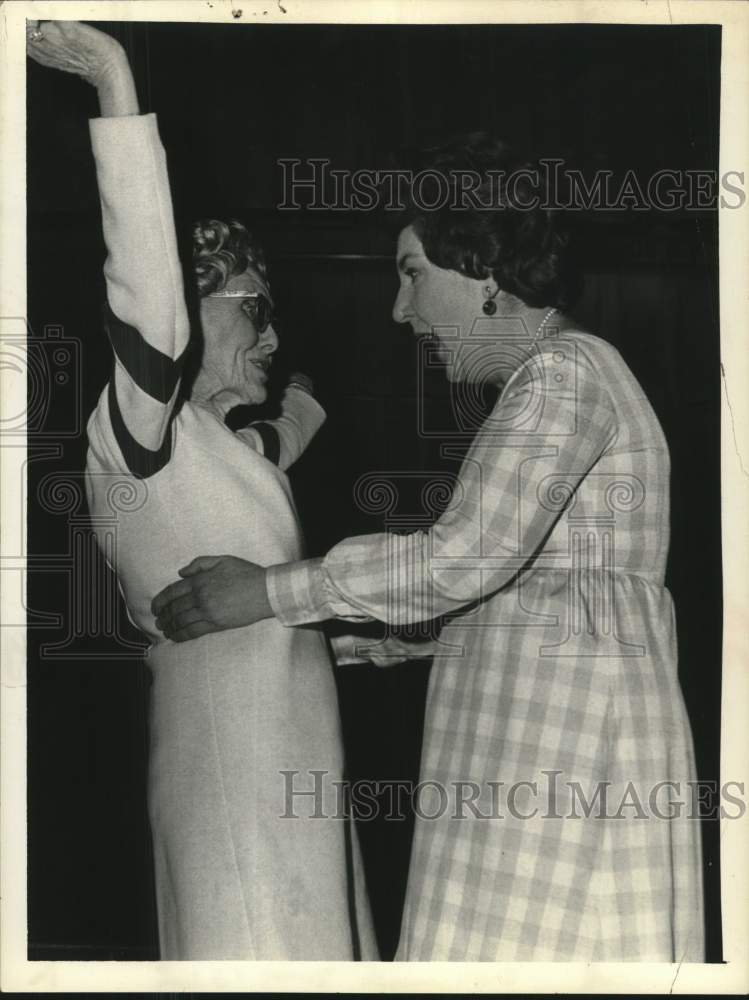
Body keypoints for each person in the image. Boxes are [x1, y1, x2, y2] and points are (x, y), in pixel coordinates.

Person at [152, 135, 706, 961]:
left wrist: (269, 590)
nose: (398, 312)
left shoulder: (563, 373)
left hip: (560, 755)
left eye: (410, 273)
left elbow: (463, 557)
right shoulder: (554, 380)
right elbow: (543, 599)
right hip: (541, 743)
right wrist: (378, 647)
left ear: (483, 270)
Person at [27, 20, 376, 961]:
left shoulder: (234, 451)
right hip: (229, 763)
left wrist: (303, 393)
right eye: (252, 312)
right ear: (190, 308)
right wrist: (113, 83)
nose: (269, 334)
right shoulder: (141, 434)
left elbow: (291, 430)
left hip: (301, 767)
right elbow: (145, 285)